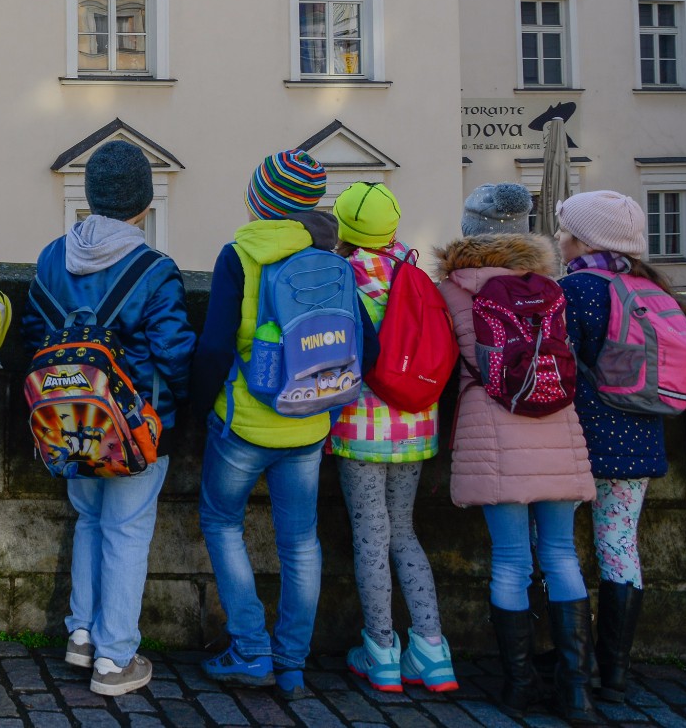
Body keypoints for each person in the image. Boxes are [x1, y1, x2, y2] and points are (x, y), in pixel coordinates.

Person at [186, 150, 374, 698]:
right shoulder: (334, 258)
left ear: (259, 201)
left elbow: (216, 344)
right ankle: (291, 663)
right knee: (300, 543)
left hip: (245, 423)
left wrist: (199, 410)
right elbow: (371, 345)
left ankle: (250, 649)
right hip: (310, 424)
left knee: (222, 522)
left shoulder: (240, 255)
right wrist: (330, 404)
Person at [22, 141, 192, 698]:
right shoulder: (154, 269)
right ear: (143, 205)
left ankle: (81, 634)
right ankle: (116, 659)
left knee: (90, 523)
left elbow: (32, 338)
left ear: (91, 197)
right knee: (126, 531)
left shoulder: (51, 257)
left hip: (67, 421)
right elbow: (173, 354)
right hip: (131, 429)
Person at [438, 184, 597, 722]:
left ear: (471, 226)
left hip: (493, 428)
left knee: (511, 560)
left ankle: (519, 687)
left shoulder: (454, 288)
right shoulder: (552, 286)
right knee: (560, 555)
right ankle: (577, 692)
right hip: (556, 425)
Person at [327, 181, 455, 694]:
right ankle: (431, 649)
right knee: (404, 531)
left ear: (342, 229)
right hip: (417, 421)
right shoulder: (416, 274)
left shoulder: (340, 275)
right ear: (392, 229)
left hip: (360, 427)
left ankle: (381, 651)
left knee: (370, 536)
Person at [555, 190, 678, 702]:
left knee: (560, 548)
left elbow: (560, 362)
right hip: (642, 435)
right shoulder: (655, 289)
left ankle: (571, 657)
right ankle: (616, 670)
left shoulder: (575, 289)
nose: (559, 238)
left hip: (581, 440)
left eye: (565, 230)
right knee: (619, 544)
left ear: (583, 239)